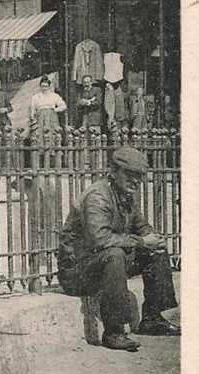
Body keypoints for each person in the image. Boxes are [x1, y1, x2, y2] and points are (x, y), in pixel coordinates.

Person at [57, 146, 179, 352]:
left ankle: (152, 318)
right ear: (113, 172)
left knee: (155, 250)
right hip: (76, 273)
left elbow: (141, 226)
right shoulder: (98, 196)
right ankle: (113, 332)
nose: (136, 182)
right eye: (130, 175)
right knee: (114, 254)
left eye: (139, 177)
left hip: (101, 266)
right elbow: (100, 240)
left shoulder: (125, 194)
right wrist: (141, 242)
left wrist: (153, 238)